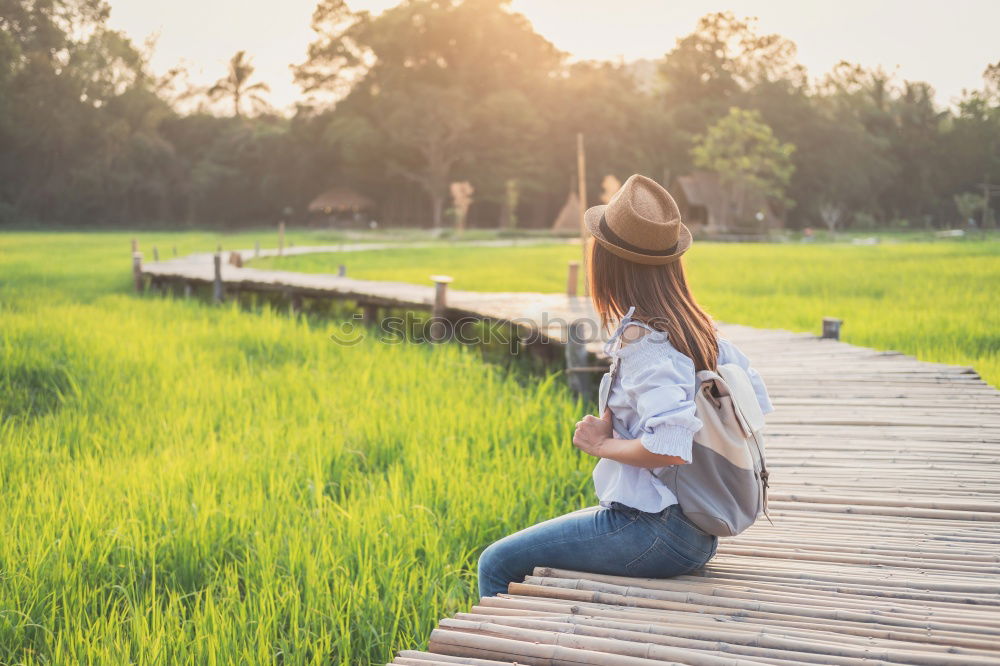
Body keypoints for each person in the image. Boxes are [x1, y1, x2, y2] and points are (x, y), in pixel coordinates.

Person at [476, 174, 774, 599]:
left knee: (497, 562)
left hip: (657, 532)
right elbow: (755, 406)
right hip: (695, 531)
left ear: (608, 262)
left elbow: (671, 444)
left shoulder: (644, 343)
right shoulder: (701, 329)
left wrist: (601, 445)